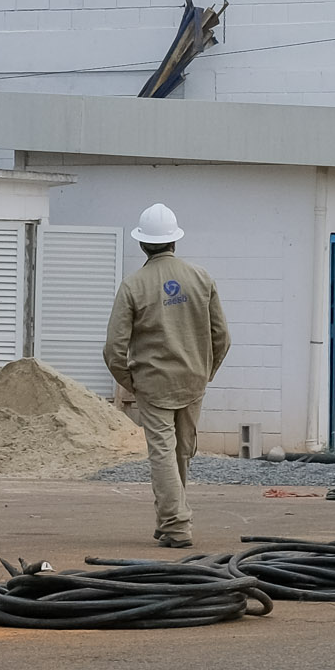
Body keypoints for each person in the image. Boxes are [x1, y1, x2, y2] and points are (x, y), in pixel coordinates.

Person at [103, 204, 229, 548]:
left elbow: (114, 348)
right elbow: (222, 337)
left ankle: (175, 525)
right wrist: (206, 372)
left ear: (143, 244)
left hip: (153, 383)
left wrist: (132, 382)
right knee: (181, 452)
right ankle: (171, 521)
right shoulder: (201, 278)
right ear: (174, 241)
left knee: (162, 452)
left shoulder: (133, 286)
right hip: (193, 380)